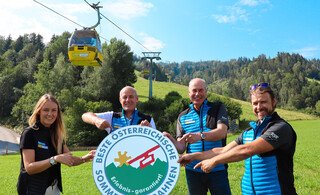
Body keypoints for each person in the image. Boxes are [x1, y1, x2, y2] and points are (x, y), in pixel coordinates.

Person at [178, 82, 297, 195]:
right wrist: (192, 156)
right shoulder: (248, 132)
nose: (259, 107)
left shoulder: (280, 128)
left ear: (274, 102)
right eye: (255, 103)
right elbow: (222, 150)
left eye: (263, 102)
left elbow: (247, 150)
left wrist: (215, 161)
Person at [164, 78, 231, 195]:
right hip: (193, 170)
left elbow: (222, 132)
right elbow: (181, 147)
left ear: (206, 91)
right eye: (194, 90)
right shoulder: (182, 116)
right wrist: (171, 140)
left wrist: (200, 136)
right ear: (189, 93)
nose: (197, 94)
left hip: (217, 167)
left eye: (201, 90)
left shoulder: (218, 108)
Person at [17, 94, 95, 195]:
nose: (50, 114)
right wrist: (54, 159)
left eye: (54, 110)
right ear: (39, 111)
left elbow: (69, 159)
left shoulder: (57, 135)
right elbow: (29, 168)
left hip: (54, 189)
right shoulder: (30, 133)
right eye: (46, 110)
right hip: (33, 189)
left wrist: (85, 158)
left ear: (58, 113)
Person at [82, 86, 156, 134]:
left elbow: (155, 144)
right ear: (120, 100)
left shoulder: (148, 119)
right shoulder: (112, 116)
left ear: (136, 99)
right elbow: (85, 116)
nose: (127, 100)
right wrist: (96, 120)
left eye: (131, 97)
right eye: (124, 97)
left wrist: (149, 132)